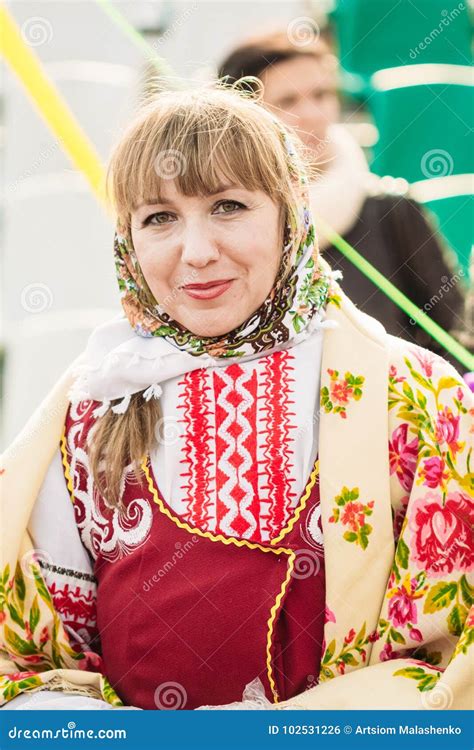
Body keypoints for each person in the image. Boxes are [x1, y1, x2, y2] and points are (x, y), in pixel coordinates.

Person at [1, 85, 472, 711]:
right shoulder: (90, 408)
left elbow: (453, 660)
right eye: (159, 218)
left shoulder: (412, 395)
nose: (196, 253)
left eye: (228, 206)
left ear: (290, 217)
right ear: (127, 240)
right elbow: (34, 663)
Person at [218, 31, 467, 371]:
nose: (312, 114)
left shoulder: (391, 210)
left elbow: (456, 339)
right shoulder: (222, 234)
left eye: (322, 95)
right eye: (288, 101)